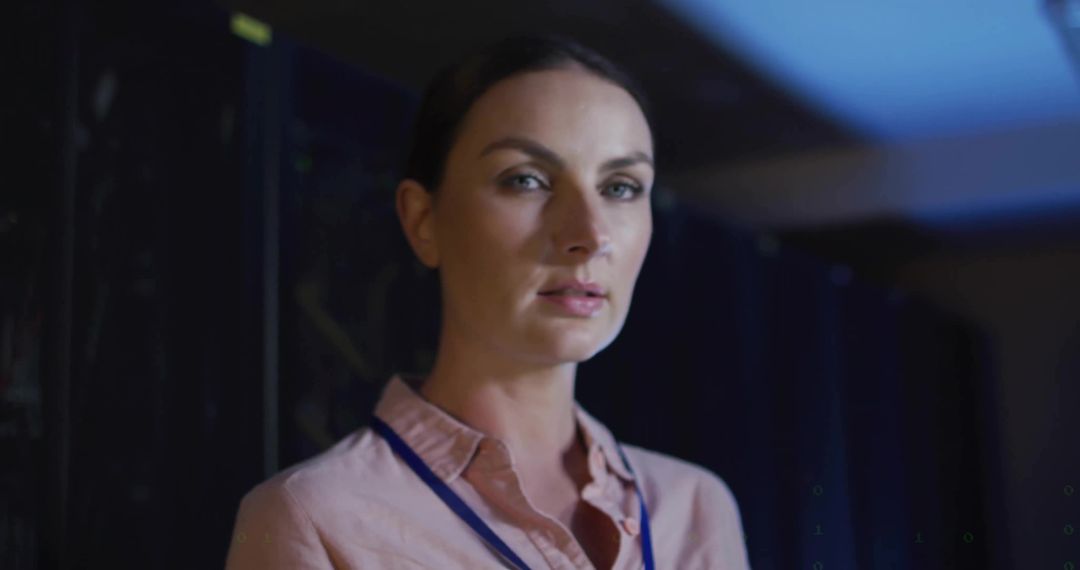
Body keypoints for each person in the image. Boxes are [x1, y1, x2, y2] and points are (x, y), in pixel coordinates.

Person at [225, 33, 751, 570]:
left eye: (620, 187)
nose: (589, 235)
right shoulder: (315, 518)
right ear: (423, 221)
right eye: (526, 180)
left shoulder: (694, 508)